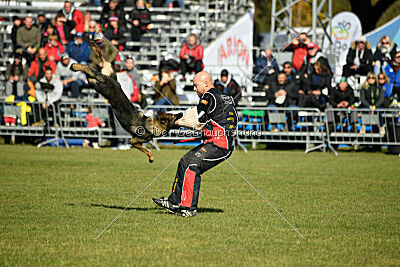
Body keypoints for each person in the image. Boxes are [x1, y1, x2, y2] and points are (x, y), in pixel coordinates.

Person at [152, 71, 238, 217]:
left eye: (195, 85)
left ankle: (189, 209)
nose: (194, 89)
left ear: (206, 83)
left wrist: (174, 122)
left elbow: (198, 117)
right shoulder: (224, 97)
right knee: (184, 161)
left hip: (220, 145)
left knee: (192, 165)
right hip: (220, 142)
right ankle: (174, 201)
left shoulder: (208, 96)